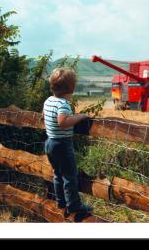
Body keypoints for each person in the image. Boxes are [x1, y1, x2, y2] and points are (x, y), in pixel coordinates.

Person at [42, 67, 92, 215]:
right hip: (62, 144)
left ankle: (61, 201)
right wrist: (81, 116)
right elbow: (63, 122)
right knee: (69, 176)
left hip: (50, 143)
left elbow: (44, 114)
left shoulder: (49, 100)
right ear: (72, 88)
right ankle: (74, 206)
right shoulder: (63, 104)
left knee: (58, 174)